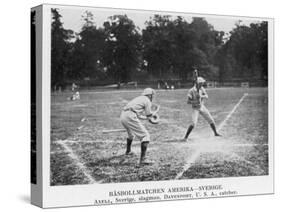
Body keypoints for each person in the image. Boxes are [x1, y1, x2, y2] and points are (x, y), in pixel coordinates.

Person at [120, 88, 156, 165]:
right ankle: (143, 160)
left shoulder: (139, 99)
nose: (152, 97)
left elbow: (139, 116)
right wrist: (155, 120)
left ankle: (128, 151)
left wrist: (148, 117)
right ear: (149, 95)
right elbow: (150, 118)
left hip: (123, 115)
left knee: (131, 134)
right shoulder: (147, 100)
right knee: (145, 136)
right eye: (152, 95)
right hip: (130, 116)